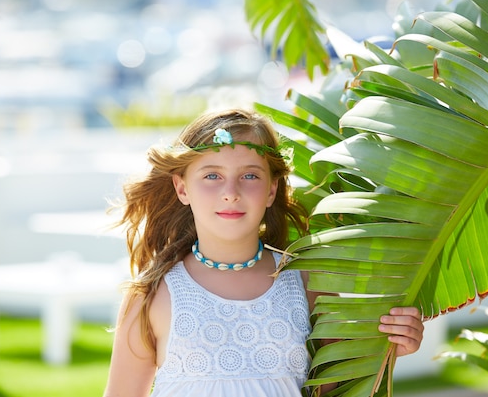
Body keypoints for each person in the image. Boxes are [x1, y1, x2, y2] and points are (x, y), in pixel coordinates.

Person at [103, 109, 424, 397]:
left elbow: (339, 387)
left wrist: (390, 346)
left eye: (250, 176)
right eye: (212, 175)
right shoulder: (153, 295)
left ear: (272, 189)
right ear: (182, 188)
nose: (230, 193)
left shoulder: (309, 283)